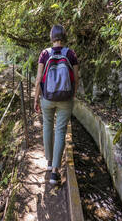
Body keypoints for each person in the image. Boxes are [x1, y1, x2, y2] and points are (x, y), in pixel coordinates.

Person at [34, 24, 79, 184]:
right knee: (60, 131)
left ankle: (49, 161)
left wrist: (36, 98)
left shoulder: (45, 54)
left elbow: (39, 79)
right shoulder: (71, 53)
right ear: (64, 36)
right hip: (65, 98)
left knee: (47, 126)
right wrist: (72, 95)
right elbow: (75, 78)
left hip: (47, 98)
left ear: (52, 36)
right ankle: (55, 172)